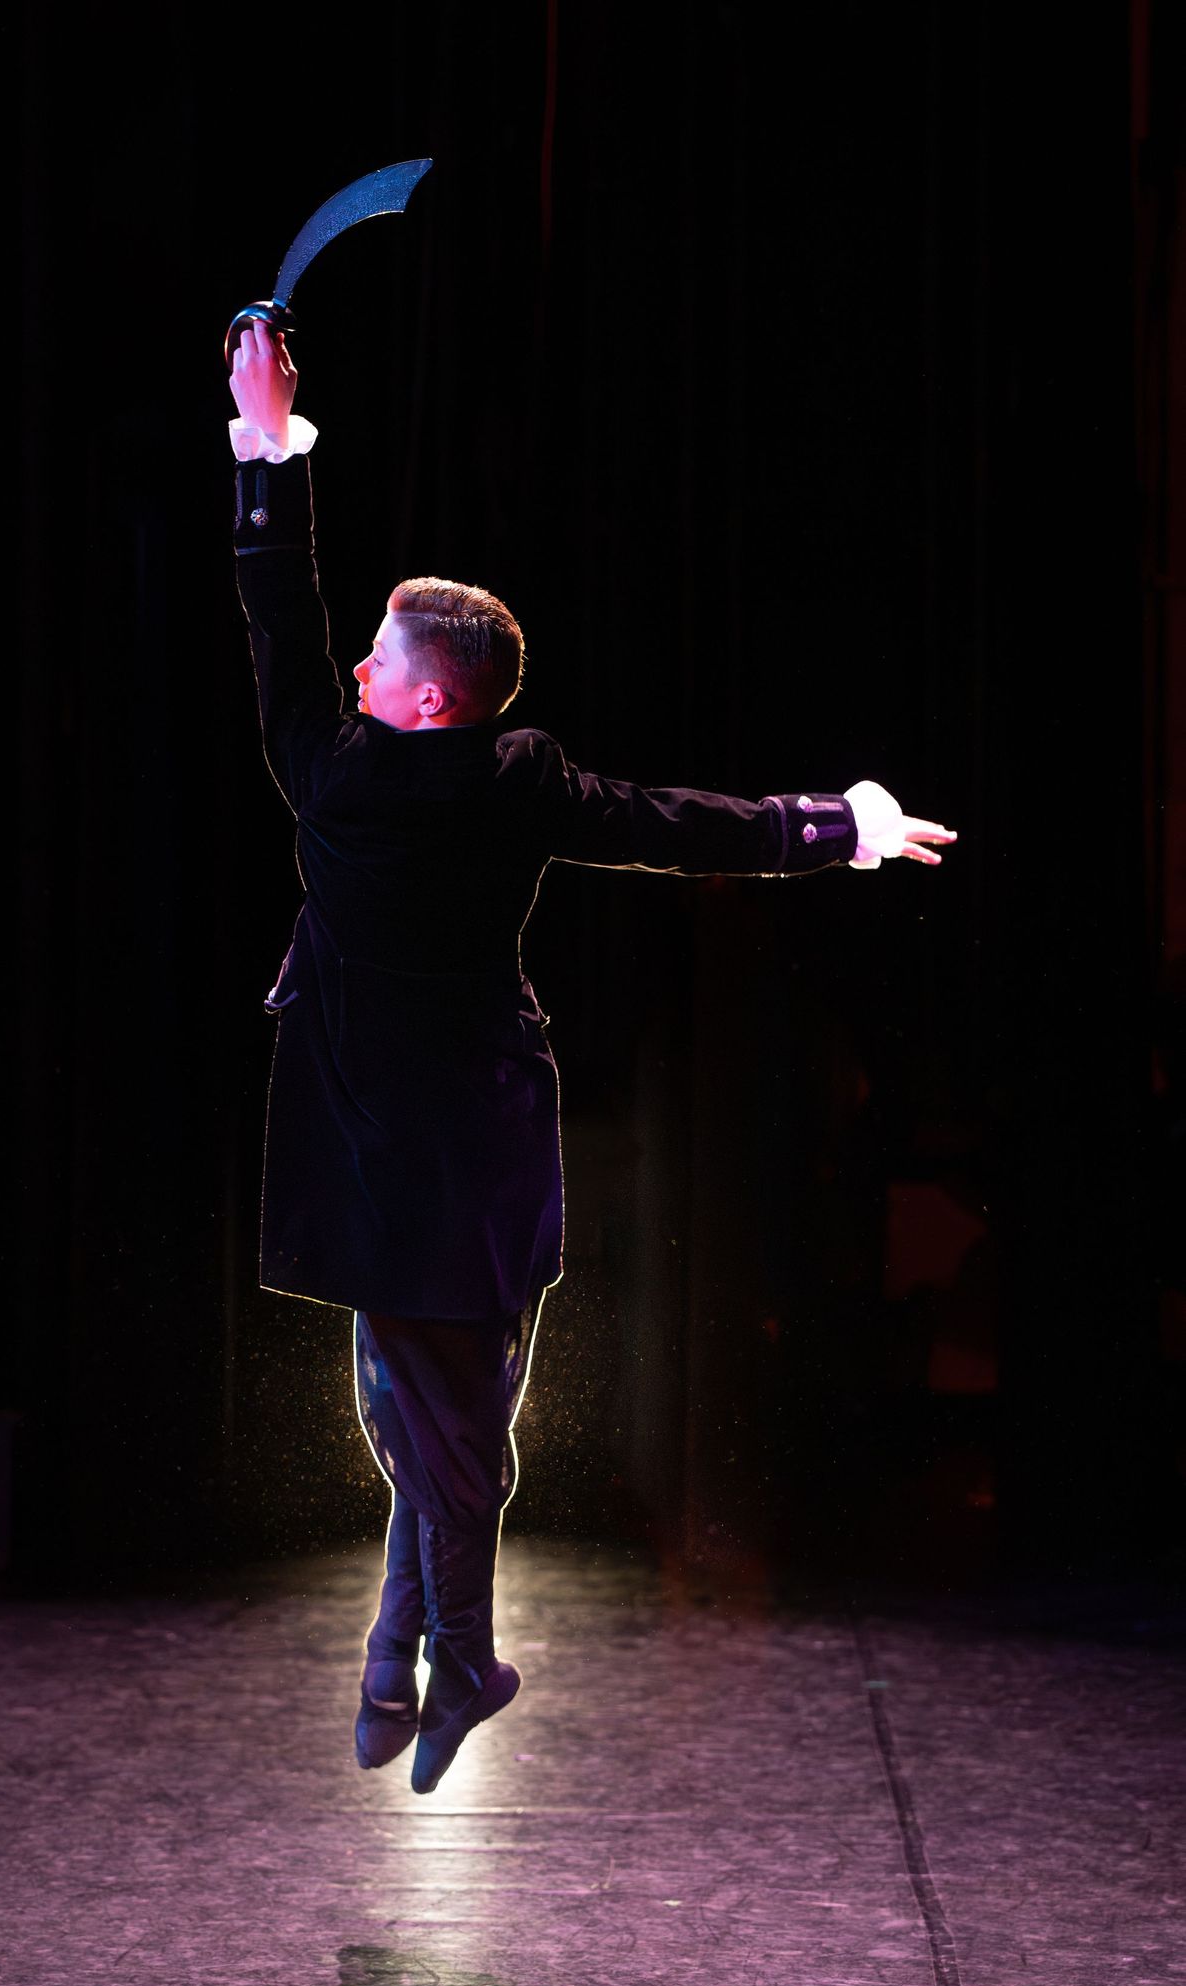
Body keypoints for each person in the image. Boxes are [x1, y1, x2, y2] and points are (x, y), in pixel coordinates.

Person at [227, 320, 954, 1793]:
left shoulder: (332, 773)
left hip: (379, 1150)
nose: (356, 667)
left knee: (435, 1419)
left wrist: (267, 441)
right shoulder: (517, 779)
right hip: (480, 1147)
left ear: (427, 699)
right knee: (439, 1419)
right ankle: (429, 1658)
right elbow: (671, 825)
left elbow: (276, 608)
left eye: (380, 658)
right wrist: (841, 828)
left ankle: (427, 1660)